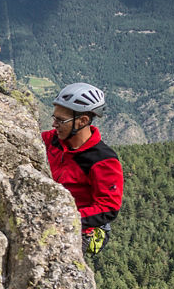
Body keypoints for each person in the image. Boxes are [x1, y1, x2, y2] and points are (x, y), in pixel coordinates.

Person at [43, 82, 124, 258]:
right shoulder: (53, 140)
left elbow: (109, 207)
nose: (54, 124)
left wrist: (68, 217)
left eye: (60, 120)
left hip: (84, 227)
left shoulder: (103, 160)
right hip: (53, 213)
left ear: (83, 121)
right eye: (54, 117)